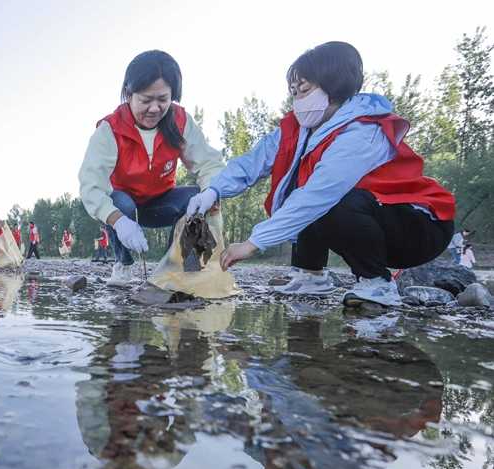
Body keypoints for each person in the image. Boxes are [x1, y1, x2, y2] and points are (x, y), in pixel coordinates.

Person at [190, 42, 455, 307]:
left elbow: (320, 193)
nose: (298, 101)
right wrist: (214, 190)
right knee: (299, 193)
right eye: (294, 92)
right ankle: (311, 275)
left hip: (418, 228)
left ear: (334, 86)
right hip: (372, 217)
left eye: (304, 90)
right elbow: (252, 162)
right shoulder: (298, 130)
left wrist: (253, 243)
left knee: (325, 200)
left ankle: (376, 284)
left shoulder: (364, 131)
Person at [79, 50, 224, 286]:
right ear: (128, 94)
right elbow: (91, 187)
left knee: (197, 197)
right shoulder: (110, 129)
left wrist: (210, 192)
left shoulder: (180, 121)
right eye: (146, 100)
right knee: (120, 202)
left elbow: (209, 164)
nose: (155, 109)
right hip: (124, 208)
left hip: (161, 204)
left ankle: (176, 269)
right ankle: (123, 265)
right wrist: (118, 220)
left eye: (163, 100)